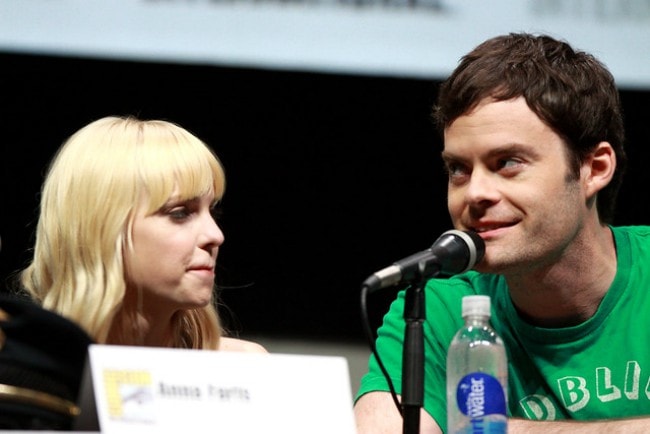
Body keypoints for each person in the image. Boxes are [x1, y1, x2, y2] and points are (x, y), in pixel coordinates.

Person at [354, 32, 650, 433]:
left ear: (594, 169)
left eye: (508, 162)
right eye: (458, 169)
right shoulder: (438, 307)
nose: (475, 192)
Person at [17, 115, 266, 353]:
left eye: (212, 212)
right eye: (180, 213)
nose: (215, 235)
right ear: (103, 229)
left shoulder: (245, 371)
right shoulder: (28, 378)